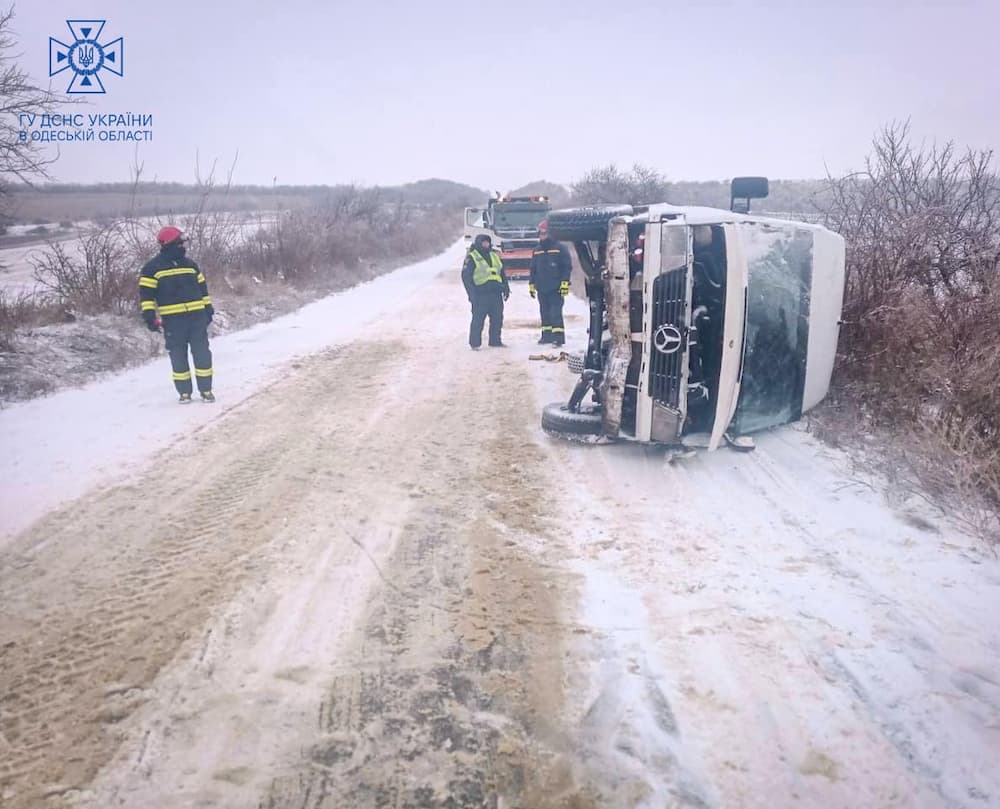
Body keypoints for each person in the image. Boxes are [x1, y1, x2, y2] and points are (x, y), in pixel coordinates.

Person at [139, 226, 216, 403]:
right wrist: (150, 318)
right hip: (173, 323)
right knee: (178, 357)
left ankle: (206, 391)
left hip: (197, 320)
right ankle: (184, 393)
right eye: (180, 243)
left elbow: (203, 290)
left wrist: (208, 310)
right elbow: (146, 297)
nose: (183, 246)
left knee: (203, 354)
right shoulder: (152, 269)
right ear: (170, 244)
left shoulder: (191, 265)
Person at [461, 233, 510, 349]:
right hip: (480, 294)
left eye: (487, 242)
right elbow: (466, 277)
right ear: (478, 243)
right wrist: (471, 294)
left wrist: (506, 288)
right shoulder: (472, 257)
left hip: (496, 293)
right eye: (483, 242)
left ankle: (495, 341)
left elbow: (502, 273)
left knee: (497, 319)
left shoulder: (494, 255)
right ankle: (475, 343)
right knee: (478, 320)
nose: (486, 244)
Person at [528, 220, 572, 346]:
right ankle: (546, 336)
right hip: (542, 288)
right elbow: (533, 269)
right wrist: (532, 284)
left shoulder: (560, 248)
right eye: (540, 233)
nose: (542, 236)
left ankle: (558, 338)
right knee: (544, 313)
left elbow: (566, 267)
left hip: (556, 288)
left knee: (555, 313)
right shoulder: (537, 250)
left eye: (544, 233)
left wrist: (565, 283)